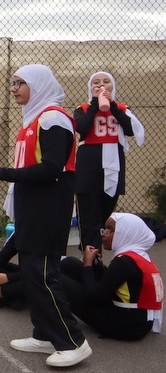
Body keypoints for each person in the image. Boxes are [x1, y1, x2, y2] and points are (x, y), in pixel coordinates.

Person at [0, 63, 91, 368]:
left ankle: (73, 342)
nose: (14, 88)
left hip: (48, 208)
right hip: (34, 207)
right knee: (32, 273)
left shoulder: (53, 117)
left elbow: (53, 167)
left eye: (20, 83)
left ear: (38, 84)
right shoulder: (34, 118)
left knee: (42, 275)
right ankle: (45, 334)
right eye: (13, 83)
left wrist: (3, 172)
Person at [74, 71, 145, 254]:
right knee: (89, 219)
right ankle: (89, 259)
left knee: (103, 216)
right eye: (96, 83)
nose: (101, 85)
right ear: (90, 88)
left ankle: (95, 257)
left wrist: (112, 106)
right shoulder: (82, 108)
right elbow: (81, 128)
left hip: (113, 168)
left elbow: (130, 130)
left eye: (106, 82)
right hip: (88, 169)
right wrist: (95, 104)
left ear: (113, 86)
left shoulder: (121, 109)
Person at [60, 213, 162, 340]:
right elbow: (114, 283)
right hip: (139, 322)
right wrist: (96, 266)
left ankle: (43, 304)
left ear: (126, 233)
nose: (104, 233)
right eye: (105, 228)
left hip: (127, 326)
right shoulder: (138, 256)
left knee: (57, 280)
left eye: (111, 230)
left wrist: (87, 265)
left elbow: (95, 296)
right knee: (69, 263)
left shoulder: (124, 261)